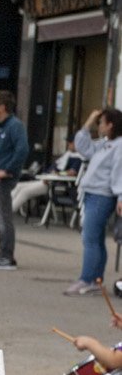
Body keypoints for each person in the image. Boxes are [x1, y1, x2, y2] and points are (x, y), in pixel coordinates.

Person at [64, 107, 122, 295]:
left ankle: (87, 279)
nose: (99, 126)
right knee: (96, 238)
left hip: (102, 195)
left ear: (110, 125)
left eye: (101, 122)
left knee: (90, 238)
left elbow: (119, 172)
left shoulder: (119, 146)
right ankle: (95, 279)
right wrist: (88, 122)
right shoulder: (105, 143)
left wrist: (120, 195)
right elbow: (83, 146)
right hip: (93, 193)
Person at [0, 89, 27, 271]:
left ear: (2, 107)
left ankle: (7, 256)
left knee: (3, 218)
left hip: (2, 179)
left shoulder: (14, 126)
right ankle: (2, 254)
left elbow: (22, 150)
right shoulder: (2, 126)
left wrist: (7, 170)